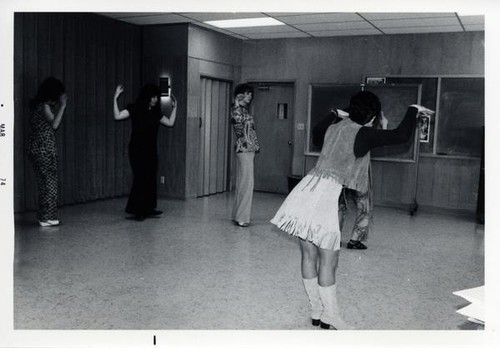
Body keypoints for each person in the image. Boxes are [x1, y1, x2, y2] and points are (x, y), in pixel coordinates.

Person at [271, 91, 433, 329]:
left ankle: (317, 311)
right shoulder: (364, 133)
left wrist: (335, 114)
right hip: (325, 197)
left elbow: (316, 134)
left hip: (305, 191)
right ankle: (331, 316)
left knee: (308, 255)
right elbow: (401, 135)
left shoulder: (335, 127)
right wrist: (413, 109)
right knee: (329, 261)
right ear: (372, 116)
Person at [313, 107, 388, 250]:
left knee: (339, 206)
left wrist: (335, 114)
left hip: (339, 174)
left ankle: (335, 238)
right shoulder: (365, 131)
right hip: (359, 175)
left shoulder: (340, 128)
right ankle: (355, 240)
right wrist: (384, 125)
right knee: (364, 206)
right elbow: (384, 139)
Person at [113, 83, 177, 221]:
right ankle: (138, 210)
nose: (155, 100)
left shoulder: (156, 113)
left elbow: (170, 123)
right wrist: (115, 98)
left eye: (156, 97)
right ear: (146, 97)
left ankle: (149, 208)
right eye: (153, 97)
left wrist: (175, 107)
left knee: (151, 177)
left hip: (151, 150)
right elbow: (117, 116)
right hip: (136, 150)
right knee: (141, 177)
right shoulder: (135, 109)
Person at [27, 77, 67, 227]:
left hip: (36, 148)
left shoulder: (36, 105)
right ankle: (48, 217)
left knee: (44, 184)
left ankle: (44, 217)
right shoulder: (44, 106)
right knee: (50, 183)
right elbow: (55, 124)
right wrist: (63, 106)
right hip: (44, 149)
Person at [231, 83, 260, 227]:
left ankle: (237, 214)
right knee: (247, 184)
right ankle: (242, 217)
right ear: (240, 94)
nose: (249, 96)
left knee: (242, 183)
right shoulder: (237, 109)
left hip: (248, 150)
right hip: (244, 150)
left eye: (250, 94)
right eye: (246, 93)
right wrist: (236, 102)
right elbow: (237, 127)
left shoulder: (244, 110)